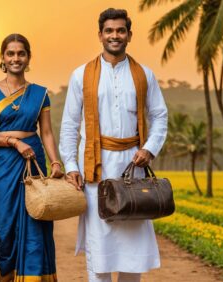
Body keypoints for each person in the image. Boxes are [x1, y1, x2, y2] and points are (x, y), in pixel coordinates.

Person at [59, 8, 168, 282]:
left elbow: (159, 116)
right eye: (109, 31)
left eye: (120, 30)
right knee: (100, 249)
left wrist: (150, 148)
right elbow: (70, 125)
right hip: (96, 169)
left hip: (134, 166)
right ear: (100, 35)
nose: (115, 35)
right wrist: (71, 166)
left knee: (132, 251)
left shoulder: (145, 74)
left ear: (129, 35)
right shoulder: (80, 75)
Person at [0, 33, 63, 282]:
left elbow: (45, 132)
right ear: (2, 57)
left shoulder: (39, 93)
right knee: (4, 227)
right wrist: (13, 142)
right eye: (10, 53)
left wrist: (55, 162)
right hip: (4, 163)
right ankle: (5, 276)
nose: (16, 58)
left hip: (32, 160)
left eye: (20, 53)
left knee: (37, 219)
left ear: (28, 57)